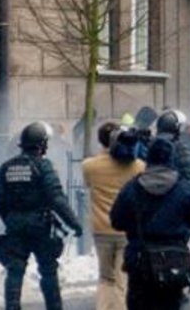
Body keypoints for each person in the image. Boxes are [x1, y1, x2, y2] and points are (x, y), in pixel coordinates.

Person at [0, 122, 83, 310]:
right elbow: (56, 198)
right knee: (48, 272)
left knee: (14, 272)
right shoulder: (43, 166)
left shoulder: (6, 167)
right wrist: (74, 223)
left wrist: (11, 219)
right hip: (41, 227)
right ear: (42, 145)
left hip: (16, 227)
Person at [111, 138, 190, 310]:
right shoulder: (184, 188)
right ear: (171, 159)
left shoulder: (132, 188)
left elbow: (116, 220)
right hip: (172, 261)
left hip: (140, 259)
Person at [81, 122, 145, 310]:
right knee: (121, 278)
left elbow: (87, 185)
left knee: (105, 278)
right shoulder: (138, 166)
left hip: (101, 229)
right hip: (127, 230)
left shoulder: (89, 166)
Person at [154, 109, 190, 183]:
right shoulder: (181, 148)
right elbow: (187, 174)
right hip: (176, 190)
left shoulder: (151, 146)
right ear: (177, 129)